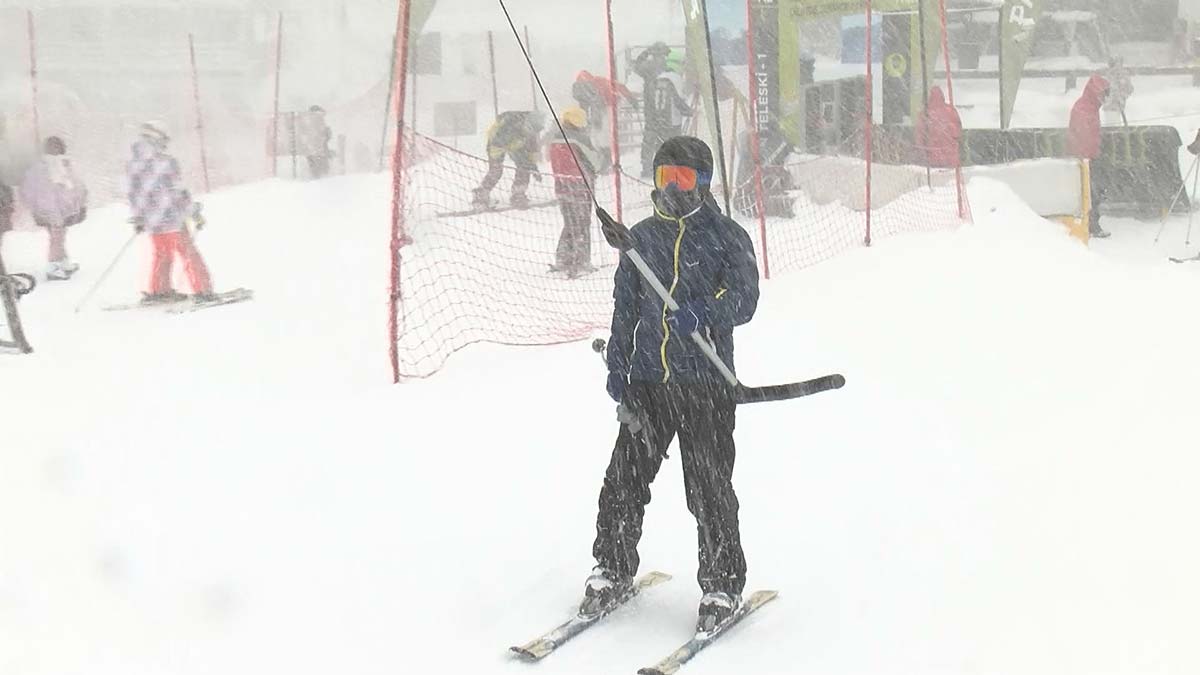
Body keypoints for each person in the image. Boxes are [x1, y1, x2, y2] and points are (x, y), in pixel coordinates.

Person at [585, 136, 760, 634]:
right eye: (665, 178)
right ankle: (612, 569)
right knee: (624, 481)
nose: (673, 189)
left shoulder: (727, 237)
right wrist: (619, 362)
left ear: (703, 184)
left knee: (708, 489)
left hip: (705, 384)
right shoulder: (639, 238)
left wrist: (706, 311)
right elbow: (626, 308)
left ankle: (722, 584)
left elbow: (745, 299)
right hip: (649, 382)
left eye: (683, 179)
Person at [126, 121, 215, 303]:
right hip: (172, 219)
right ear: (157, 138)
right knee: (188, 253)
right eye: (164, 140)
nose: (166, 144)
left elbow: (133, 194)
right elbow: (178, 192)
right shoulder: (166, 163)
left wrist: (138, 217)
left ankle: (160, 289)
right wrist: (193, 212)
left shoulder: (133, 165)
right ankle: (203, 289)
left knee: (162, 254)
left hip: (152, 222)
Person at [19, 136, 88, 281]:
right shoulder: (42, 167)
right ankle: (52, 266)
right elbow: (35, 191)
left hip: (62, 209)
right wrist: (40, 208)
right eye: (52, 147)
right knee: (56, 237)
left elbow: (74, 184)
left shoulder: (63, 163)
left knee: (59, 236)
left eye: (57, 147)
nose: (55, 150)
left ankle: (62, 261)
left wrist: (79, 201)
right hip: (50, 209)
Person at [547, 107, 601, 278]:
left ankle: (563, 257)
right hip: (581, 188)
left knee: (570, 223)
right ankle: (581, 260)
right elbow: (595, 162)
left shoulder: (555, 138)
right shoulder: (580, 139)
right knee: (583, 223)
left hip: (562, 186)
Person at [1068, 74, 1112, 239]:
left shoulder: (1090, 107)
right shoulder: (1084, 109)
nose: (1104, 99)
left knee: (1094, 192)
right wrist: (1086, 157)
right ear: (1095, 93)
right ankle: (1091, 225)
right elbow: (1082, 136)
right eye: (1102, 95)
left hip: (1090, 157)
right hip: (1085, 159)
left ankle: (1091, 224)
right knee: (1091, 193)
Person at [472, 111, 544, 209]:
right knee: (496, 171)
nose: (530, 133)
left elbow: (529, 155)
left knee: (524, 167)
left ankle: (518, 194)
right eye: (529, 130)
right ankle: (481, 194)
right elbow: (498, 144)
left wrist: (533, 168)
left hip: (515, 144)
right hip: (497, 144)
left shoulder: (530, 133)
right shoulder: (509, 127)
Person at [641, 50, 692, 178]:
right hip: (672, 121)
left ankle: (658, 170)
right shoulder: (675, 78)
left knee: (660, 146)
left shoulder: (658, 79)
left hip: (658, 120)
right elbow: (678, 100)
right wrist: (689, 112)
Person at [913, 86, 963, 169]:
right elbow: (957, 131)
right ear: (942, 96)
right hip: (950, 157)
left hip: (931, 157)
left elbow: (920, 134)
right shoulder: (950, 110)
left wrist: (920, 149)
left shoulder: (925, 113)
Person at [299, 105, 334, 179]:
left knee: (316, 172)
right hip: (320, 152)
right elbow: (327, 137)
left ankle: (317, 178)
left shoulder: (307, 123)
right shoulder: (318, 122)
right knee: (322, 173)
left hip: (313, 152)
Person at [1102, 57, 1133, 126]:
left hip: (1111, 104)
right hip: (1115, 104)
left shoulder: (1112, 74)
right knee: (1115, 125)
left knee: (1111, 125)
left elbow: (1129, 89)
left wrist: (1119, 96)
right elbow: (1130, 89)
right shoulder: (1122, 75)